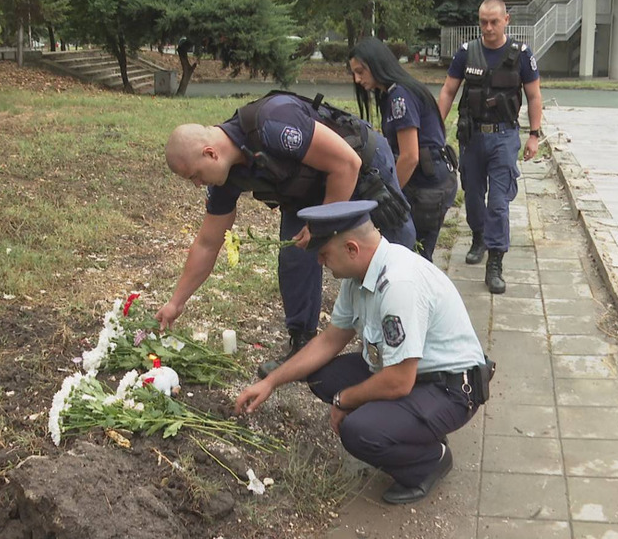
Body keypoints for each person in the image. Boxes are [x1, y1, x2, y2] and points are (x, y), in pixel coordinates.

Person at [234, 200, 490, 505]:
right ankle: (409, 429)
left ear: (352, 249)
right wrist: (271, 382)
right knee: (321, 377)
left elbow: (398, 382)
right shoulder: (361, 275)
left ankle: (430, 460)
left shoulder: (398, 284)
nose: (320, 263)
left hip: (449, 389)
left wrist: (345, 400)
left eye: (324, 254)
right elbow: (330, 340)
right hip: (413, 375)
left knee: (359, 432)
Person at [158, 93, 417, 378]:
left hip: (363, 166)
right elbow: (208, 243)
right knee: (295, 255)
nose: (197, 184)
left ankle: (407, 351)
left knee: (390, 257)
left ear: (210, 153)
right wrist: (175, 302)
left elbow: (347, 165)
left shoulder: (273, 123)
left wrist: (321, 227)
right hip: (307, 187)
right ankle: (303, 344)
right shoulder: (224, 177)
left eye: (195, 175)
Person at [437, 0, 543, 294]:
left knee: (498, 202)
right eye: (483, 21)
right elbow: (448, 91)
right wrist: (435, 128)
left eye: (494, 21)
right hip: (472, 138)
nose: (488, 27)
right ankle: (478, 236)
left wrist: (534, 134)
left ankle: (495, 260)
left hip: (504, 137)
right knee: (471, 194)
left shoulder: (521, 54)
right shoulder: (466, 52)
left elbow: (534, 96)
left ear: (506, 20)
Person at [349, 37, 458, 262]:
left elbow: (409, 157)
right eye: (354, 73)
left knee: (414, 262)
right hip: (429, 181)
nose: (357, 79)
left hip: (427, 187)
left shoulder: (400, 96)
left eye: (361, 71)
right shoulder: (393, 92)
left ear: (377, 64)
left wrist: (388, 195)